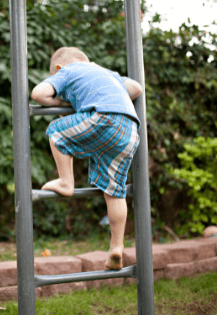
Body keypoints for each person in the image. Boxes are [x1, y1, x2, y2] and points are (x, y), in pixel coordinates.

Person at [30, 47, 142, 270]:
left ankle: (66, 181)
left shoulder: (66, 72)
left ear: (59, 68)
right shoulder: (108, 73)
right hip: (129, 131)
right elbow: (136, 88)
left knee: (56, 131)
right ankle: (116, 248)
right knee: (114, 191)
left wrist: (60, 104)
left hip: (103, 119)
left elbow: (38, 94)